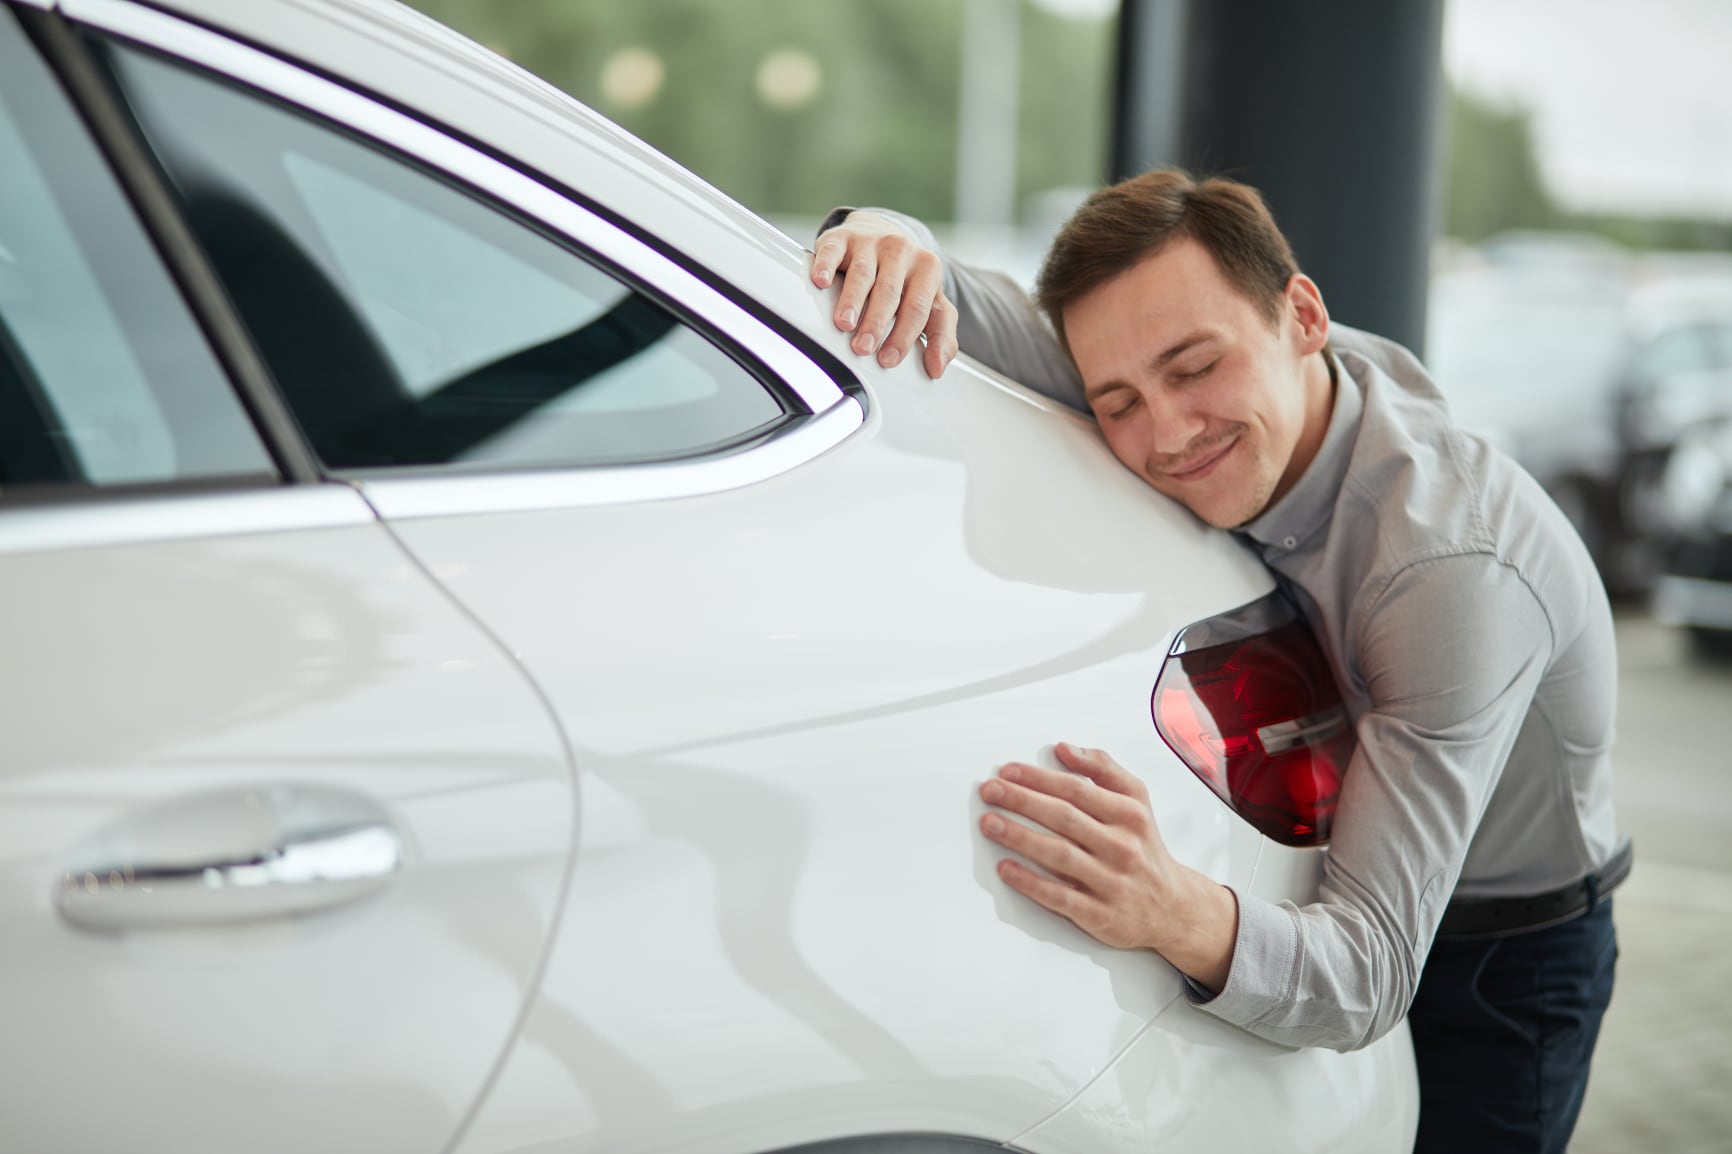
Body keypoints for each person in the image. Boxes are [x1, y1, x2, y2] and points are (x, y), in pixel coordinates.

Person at [808, 172, 1629, 1154]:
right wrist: (880, 232)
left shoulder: (1447, 572)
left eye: (1195, 369)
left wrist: (1166, 902)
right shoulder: (1195, 363)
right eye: (1117, 400)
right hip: (1319, 869)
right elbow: (964, 303)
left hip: (1495, 952)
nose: (1166, 433)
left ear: (1304, 315)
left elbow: (1365, 970)